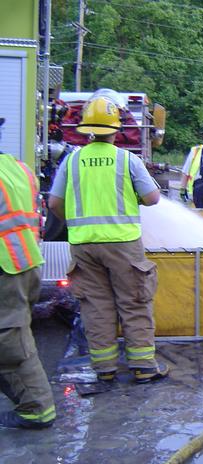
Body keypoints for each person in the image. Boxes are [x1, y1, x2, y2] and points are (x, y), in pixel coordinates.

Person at [48, 93, 169, 384]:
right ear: (116, 130)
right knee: (134, 302)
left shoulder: (72, 161)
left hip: (84, 246)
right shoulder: (127, 161)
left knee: (95, 306)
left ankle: (104, 369)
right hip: (123, 245)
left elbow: (54, 204)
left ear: (87, 130)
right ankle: (143, 367)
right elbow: (152, 198)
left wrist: (77, 220)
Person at [0, 117, 56, 429]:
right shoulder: (18, 168)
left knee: (10, 341)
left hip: (6, 267)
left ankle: (37, 409)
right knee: (14, 335)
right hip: (25, 262)